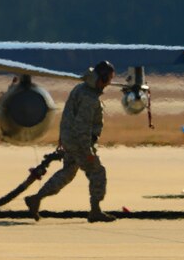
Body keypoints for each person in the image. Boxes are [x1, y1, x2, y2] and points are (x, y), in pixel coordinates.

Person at [25, 60, 117, 223]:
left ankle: (36, 199)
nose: (110, 82)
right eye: (108, 78)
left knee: (67, 173)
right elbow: (83, 126)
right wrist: (87, 151)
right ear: (101, 78)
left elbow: (67, 114)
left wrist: (63, 138)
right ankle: (95, 211)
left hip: (70, 139)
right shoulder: (89, 98)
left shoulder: (81, 89)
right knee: (97, 172)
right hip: (79, 142)